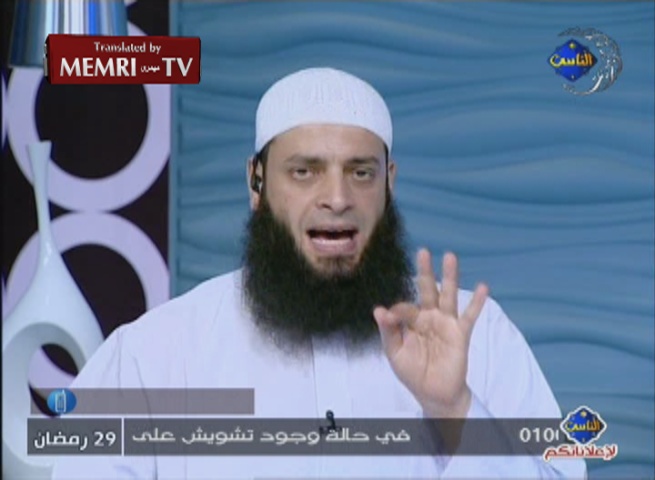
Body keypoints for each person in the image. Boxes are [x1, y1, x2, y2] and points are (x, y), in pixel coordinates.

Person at [52, 67, 587, 479]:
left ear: (389, 183)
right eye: (304, 171)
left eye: (361, 173)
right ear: (256, 182)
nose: (337, 197)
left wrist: (456, 411)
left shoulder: (479, 337)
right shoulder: (154, 355)